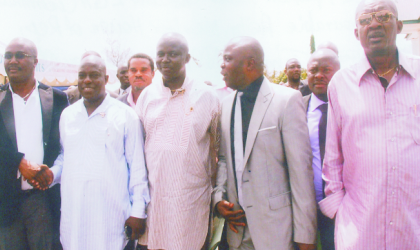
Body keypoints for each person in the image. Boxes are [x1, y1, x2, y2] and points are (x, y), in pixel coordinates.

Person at [319, 0, 420, 249]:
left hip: (413, 226)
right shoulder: (341, 84)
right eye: (365, 20)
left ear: (398, 25)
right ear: (356, 33)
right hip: (359, 229)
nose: (374, 24)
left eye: (383, 17)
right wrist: (339, 211)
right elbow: (332, 158)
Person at [213, 36, 317, 250]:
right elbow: (224, 158)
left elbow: (301, 172)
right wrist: (218, 198)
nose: (221, 65)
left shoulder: (286, 100)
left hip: (276, 231)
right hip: (237, 231)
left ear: (250, 64)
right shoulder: (225, 105)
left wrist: (306, 234)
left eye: (227, 59)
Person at [38, 54, 150, 249]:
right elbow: (66, 156)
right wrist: (51, 174)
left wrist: (138, 212)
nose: (87, 80)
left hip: (110, 218)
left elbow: (138, 168)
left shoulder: (125, 116)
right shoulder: (68, 115)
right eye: (82, 75)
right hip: (74, 216)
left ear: (106, 79)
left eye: (94, 75)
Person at [135, 33, 220, 250]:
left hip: (191, 199)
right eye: (160, 54)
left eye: (173, 54)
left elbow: (219, 150)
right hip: (155, 199)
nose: (165, 60)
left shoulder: (208, 96)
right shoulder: (147, 96)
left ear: (187, 58)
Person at [0, 37, 68, 250]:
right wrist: (19, 163)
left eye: (20, 56)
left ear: (35, 61)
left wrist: (52, 173)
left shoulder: (56, 99)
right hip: (6, 202)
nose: (12, 61)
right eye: (8, 56)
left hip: (44, 201)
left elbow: (65, 147)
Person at [303, 48, 340, 250]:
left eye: (326, 70)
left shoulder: (352, 107)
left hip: (346, 207)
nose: (319, 75)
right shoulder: (295, 109)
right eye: (313, 70)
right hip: (307, 207)